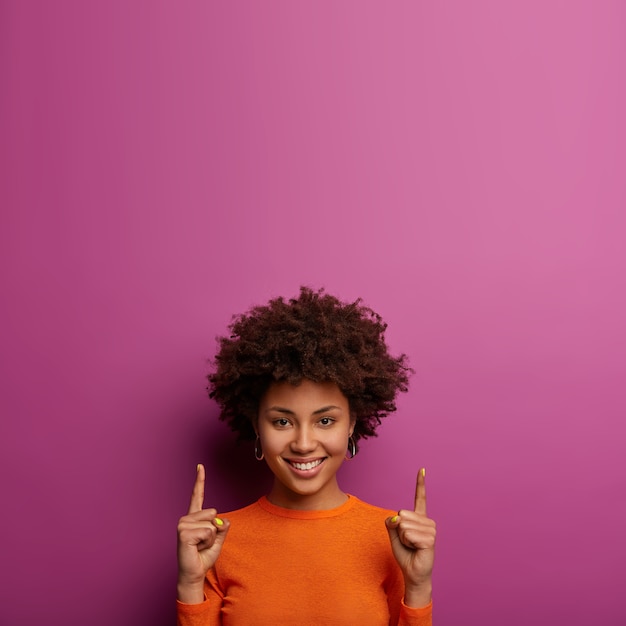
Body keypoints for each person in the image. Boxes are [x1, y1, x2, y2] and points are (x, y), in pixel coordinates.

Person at [176, 287, 436, 625]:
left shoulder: (393, 537)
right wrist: (190, 582)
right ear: (257, 425)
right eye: (282, 421)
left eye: (324, 420)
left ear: (351, 423)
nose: (303, 443)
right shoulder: (215, 541)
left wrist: (419, 585)